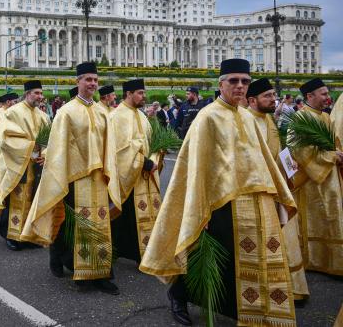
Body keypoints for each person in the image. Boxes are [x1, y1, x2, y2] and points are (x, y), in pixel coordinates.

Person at [140, 59, 297, 326]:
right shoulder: (207, 116)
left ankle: (247, 308)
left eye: (245, 81)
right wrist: (201, 208)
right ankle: (177, 295)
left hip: (255, 201)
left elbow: (262, 160)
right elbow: (197, 167)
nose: (239, 86)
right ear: (221, 84)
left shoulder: (247, 116)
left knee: (245, 258)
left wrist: (277, 193)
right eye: (233, 80)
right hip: (221, 203)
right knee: (206, 253)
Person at [21, 62, 119, 295]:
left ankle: (102, 273)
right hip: (75, 177)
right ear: (78, 82)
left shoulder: (102, 111)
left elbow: (109, 146)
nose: (93, 83)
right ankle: (76, 270)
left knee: (101, 225)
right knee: (73, 225)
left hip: (98, 177)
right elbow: (58, 147)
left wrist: (109, 171)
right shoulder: (66, 112)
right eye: (88, 79)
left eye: (95, 79)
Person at [246, 78, 309, 301]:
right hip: (263, 191)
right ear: (252, 100)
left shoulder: (269, 120)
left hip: (279, 189)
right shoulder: (247, 122)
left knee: (287, 238)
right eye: (268, 96)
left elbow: (280, 152)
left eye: (274, 95)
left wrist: (292, 172)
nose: (274, 99)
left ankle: (294, 288)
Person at [0, 81, 49, 250]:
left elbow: (50, 139)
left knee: (33, 200)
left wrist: (45, 154)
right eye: (36, 93)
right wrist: (30, 147)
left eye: (41, 93)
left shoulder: (44, 116)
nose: (39, 97)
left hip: (37, 165)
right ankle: (11, 235)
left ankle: (29, 235)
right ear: (27, 94)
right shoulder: (12, 113)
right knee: (15, 199)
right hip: (17, 163)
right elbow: (6, 139)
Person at [289, 78, 343, 277]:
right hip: (312, 180)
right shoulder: (300, 118)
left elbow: (334, 142)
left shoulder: (325, 117)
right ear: (310, 96)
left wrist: (338, 152)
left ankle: (334, 261)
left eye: (328, 94)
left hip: (331, 177)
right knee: (316, 218)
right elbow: (300, 150)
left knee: (333, 215)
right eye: (324, 94)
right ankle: (314, 260)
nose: (328, 98)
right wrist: (332, 156)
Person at [109, 79, 161, 265]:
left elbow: (152, 141)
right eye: (140, 93)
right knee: (126, 216)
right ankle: (120, 251)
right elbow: (120, 149)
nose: (143, 96)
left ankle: (143, 252)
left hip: (144, 175)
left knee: (141, 215)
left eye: (144, 93)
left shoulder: (142, 115)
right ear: (129, 94)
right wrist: (143, 162)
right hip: (129, 175)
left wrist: (154, 158)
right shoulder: (118, 116)